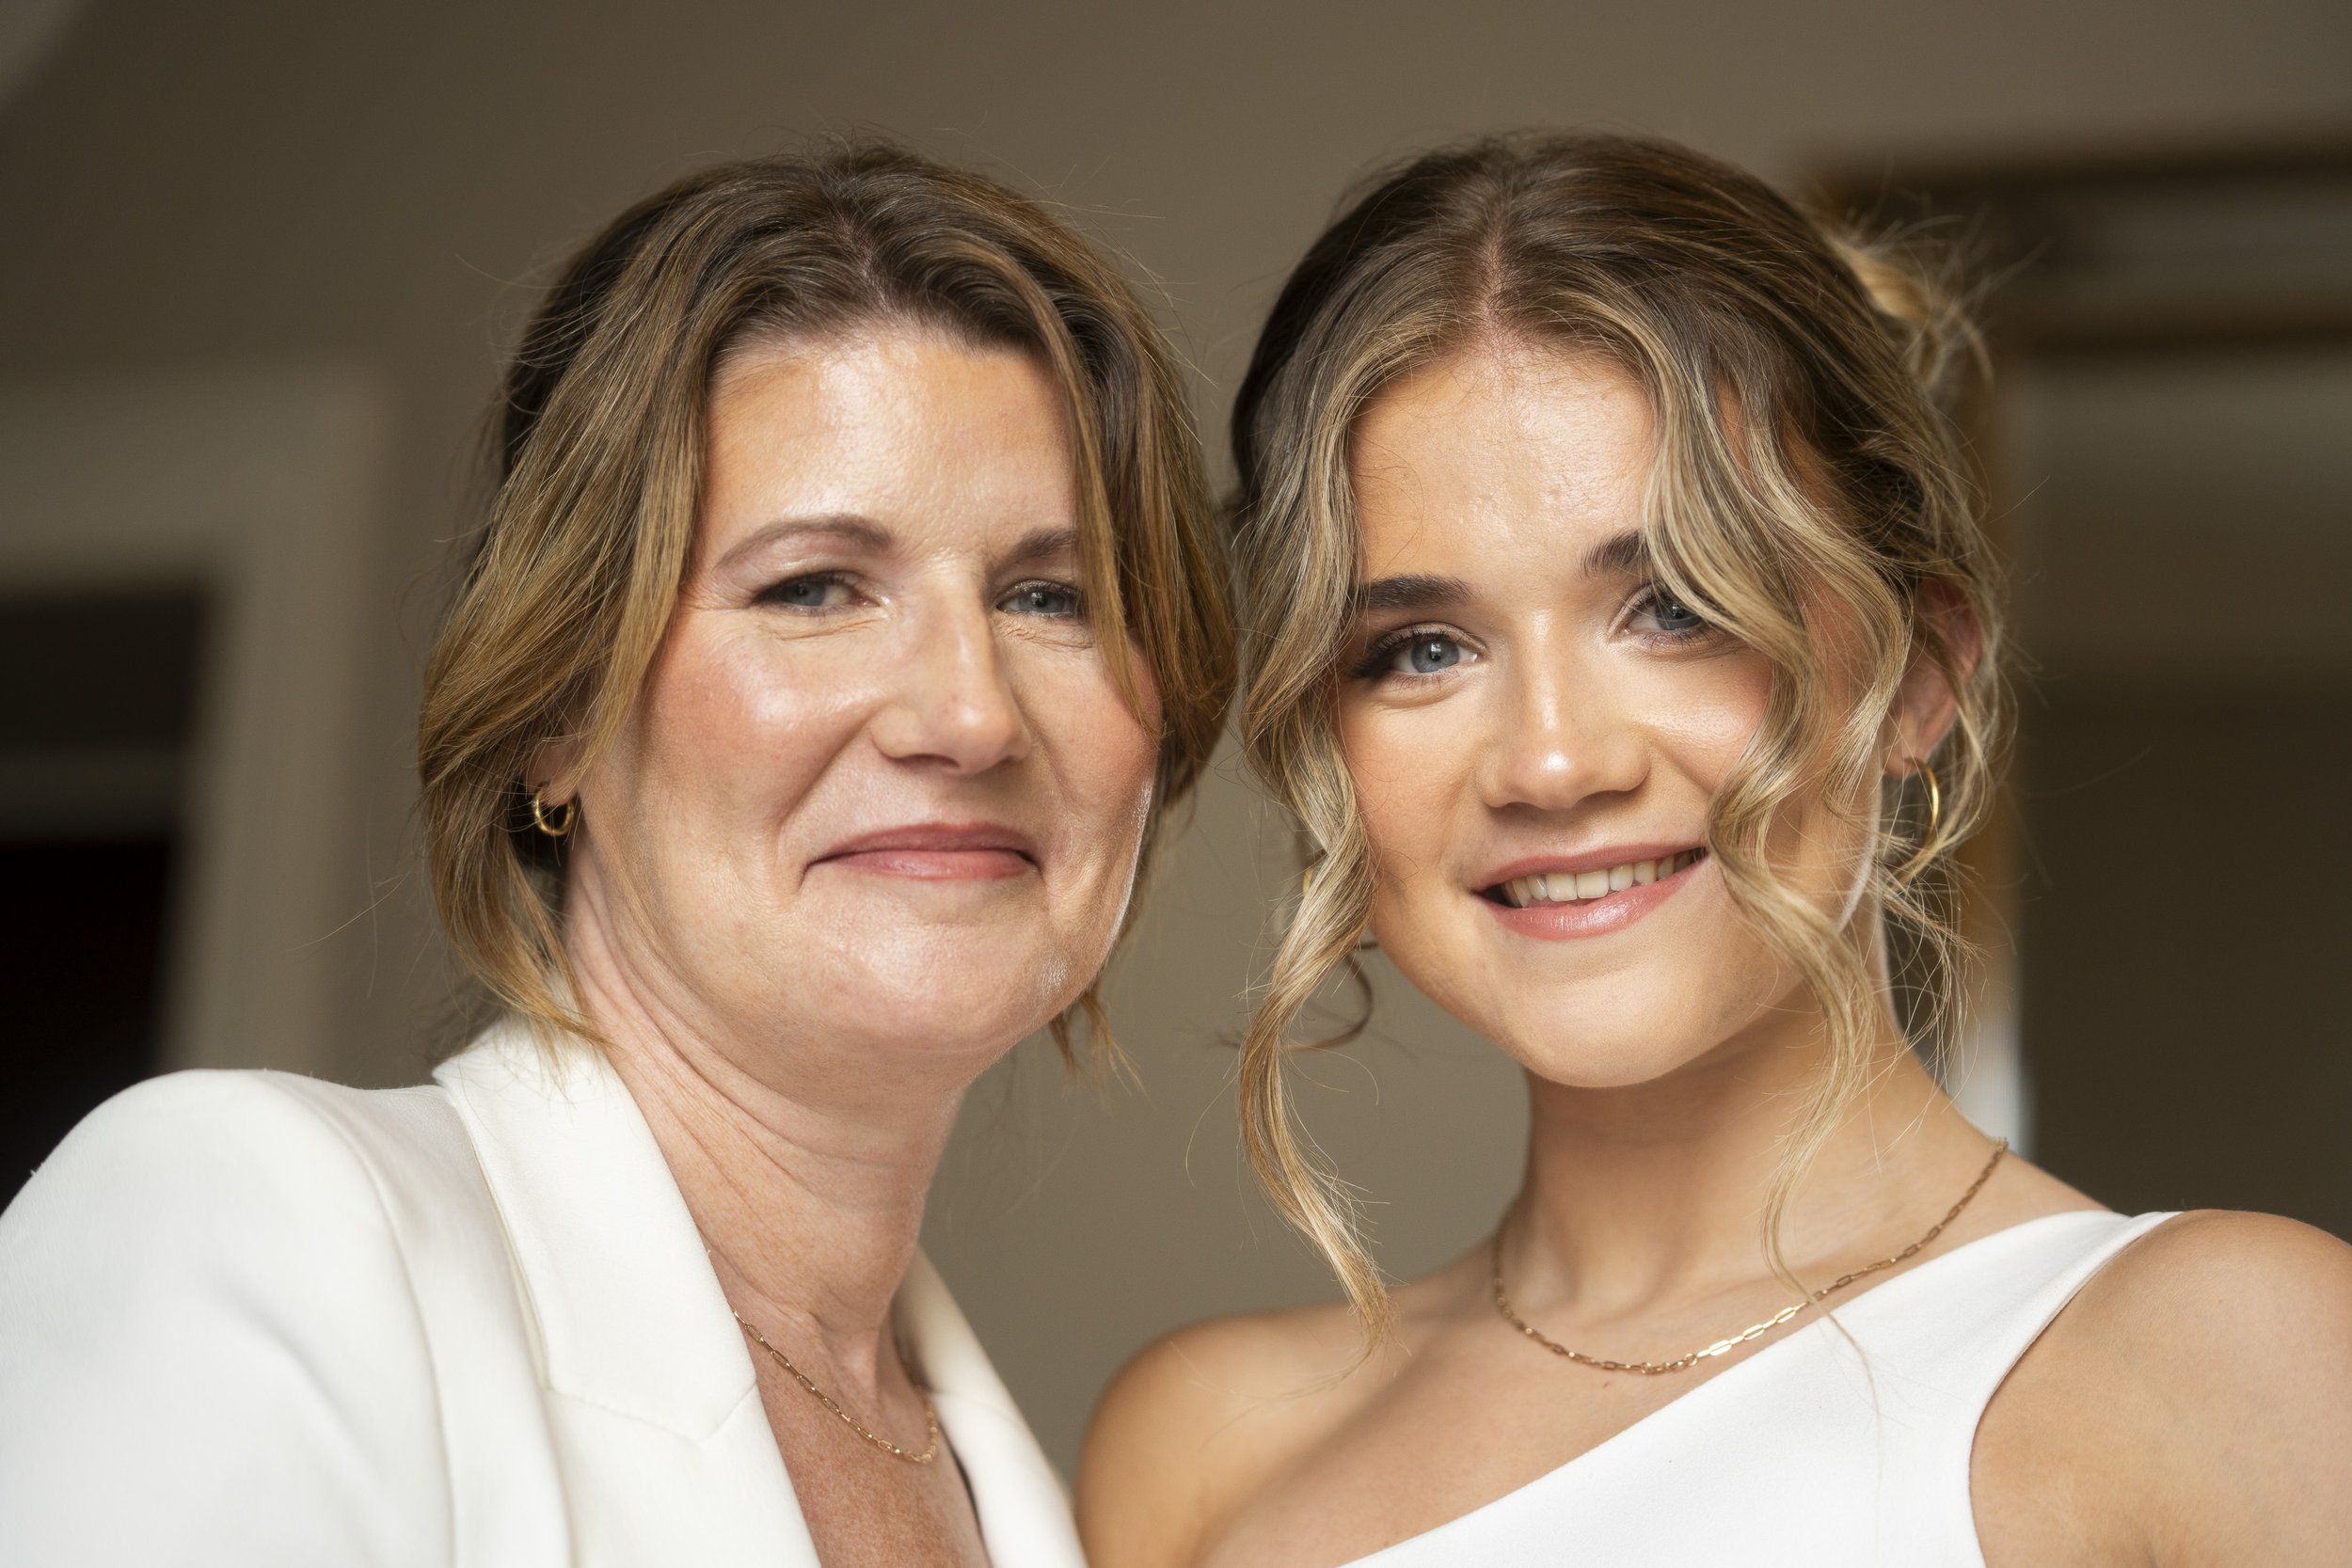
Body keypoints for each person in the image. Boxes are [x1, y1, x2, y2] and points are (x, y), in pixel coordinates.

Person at [1079, 132, 2352, 1567]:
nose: (1552, 761)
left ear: (1919, 675)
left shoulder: (2227, 1362)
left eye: (1676, 605)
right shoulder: (1204, 1451)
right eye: (1423, 647)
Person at [0, 143, 1232, 1567]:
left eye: (1053, 597)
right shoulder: (252, 1227)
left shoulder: (1037, 1504)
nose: (971, 715)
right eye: (815, 588)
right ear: (558, 713)